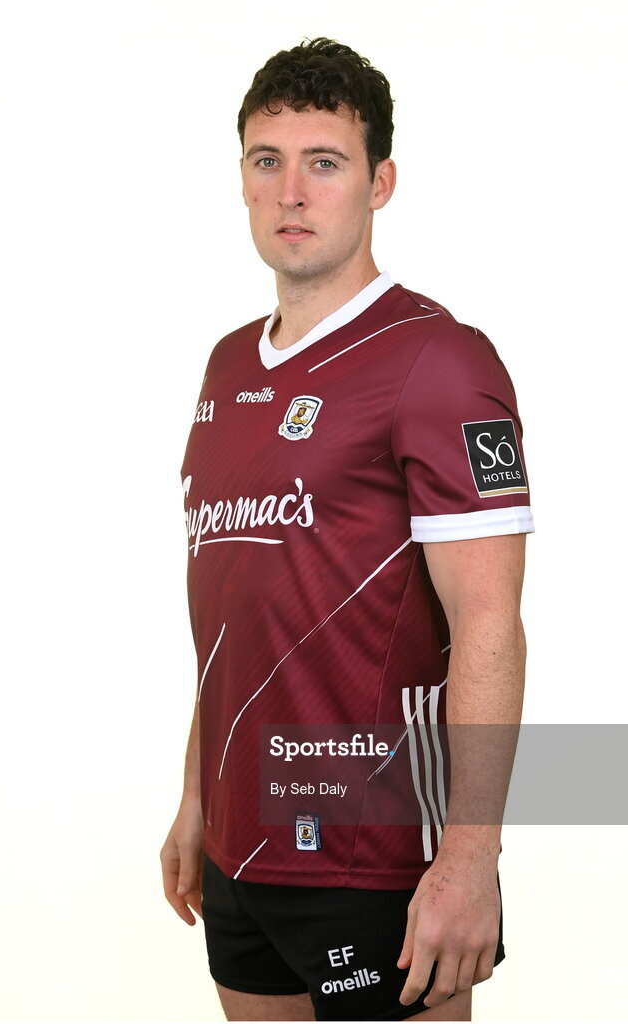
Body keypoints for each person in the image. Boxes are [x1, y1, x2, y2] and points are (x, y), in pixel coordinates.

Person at [160, 37, 534, 1022]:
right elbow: (241, 606)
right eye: (266, 160)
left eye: (323, 162)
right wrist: (198, 796)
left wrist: (469, 856)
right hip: (240, 845)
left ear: (379, 183)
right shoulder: (227, 364)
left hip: (375, 850)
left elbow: (489, 623)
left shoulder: (438, 361)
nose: (290, 192)